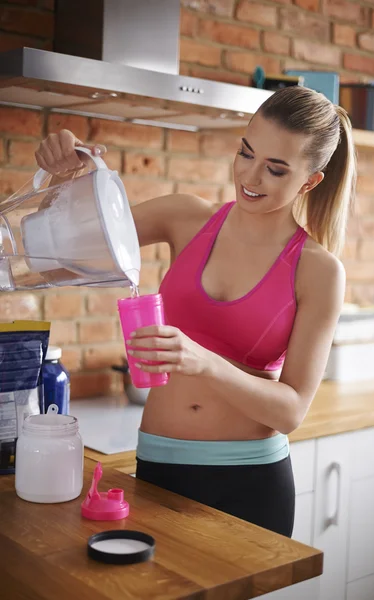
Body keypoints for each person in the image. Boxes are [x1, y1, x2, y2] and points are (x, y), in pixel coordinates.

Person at [35, 86, 356, 538]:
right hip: (158, 467)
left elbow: (291, 410)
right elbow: (61, 252)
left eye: (276, 169)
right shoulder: (185, 216)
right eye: (246, 153)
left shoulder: (318, 270)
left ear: (310, 181)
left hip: (249, 481)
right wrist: (63, 178)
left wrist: (202, 361)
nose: (250, 176)